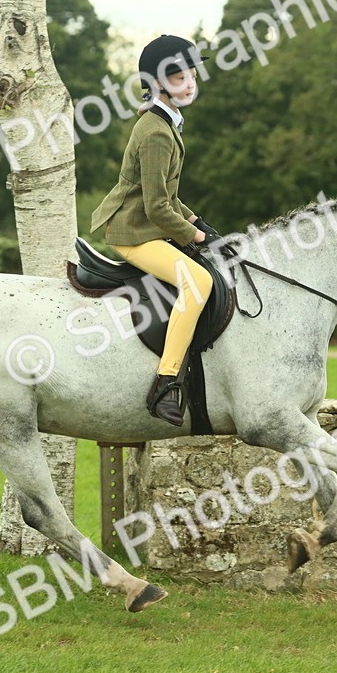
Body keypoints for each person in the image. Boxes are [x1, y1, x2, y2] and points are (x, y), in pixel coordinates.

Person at [88, 34, 222, 426]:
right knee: (197, 283)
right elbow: (156, 206)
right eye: (181, 77)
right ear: (159, 83)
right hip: (133, 232)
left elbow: (169, 196)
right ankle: (165, 383)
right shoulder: (156, 132)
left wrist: (199, 223)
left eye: (193, 73)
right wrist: (194, 238)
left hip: (148, 224)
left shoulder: (166, 123)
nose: (191, 82)